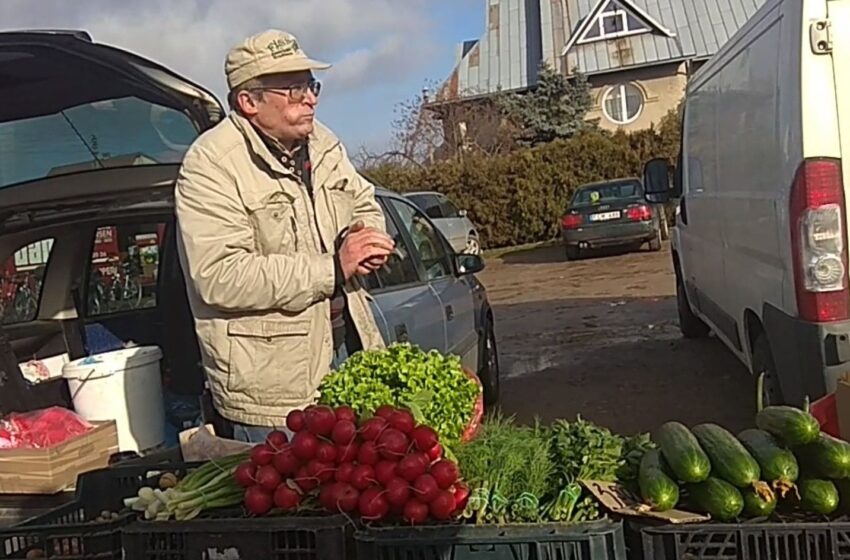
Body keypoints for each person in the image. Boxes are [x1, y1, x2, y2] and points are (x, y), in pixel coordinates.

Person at [174, 29, 395, 443]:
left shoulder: (323, 142)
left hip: (349, 350)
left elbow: (363, 198)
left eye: (311, 85)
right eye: (293, 89)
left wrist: (367, 238)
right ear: (249, 102)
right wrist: (331, 267)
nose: (310, 98)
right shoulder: (210, 167)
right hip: (273, 390)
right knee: (294, 500)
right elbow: (220, 276)